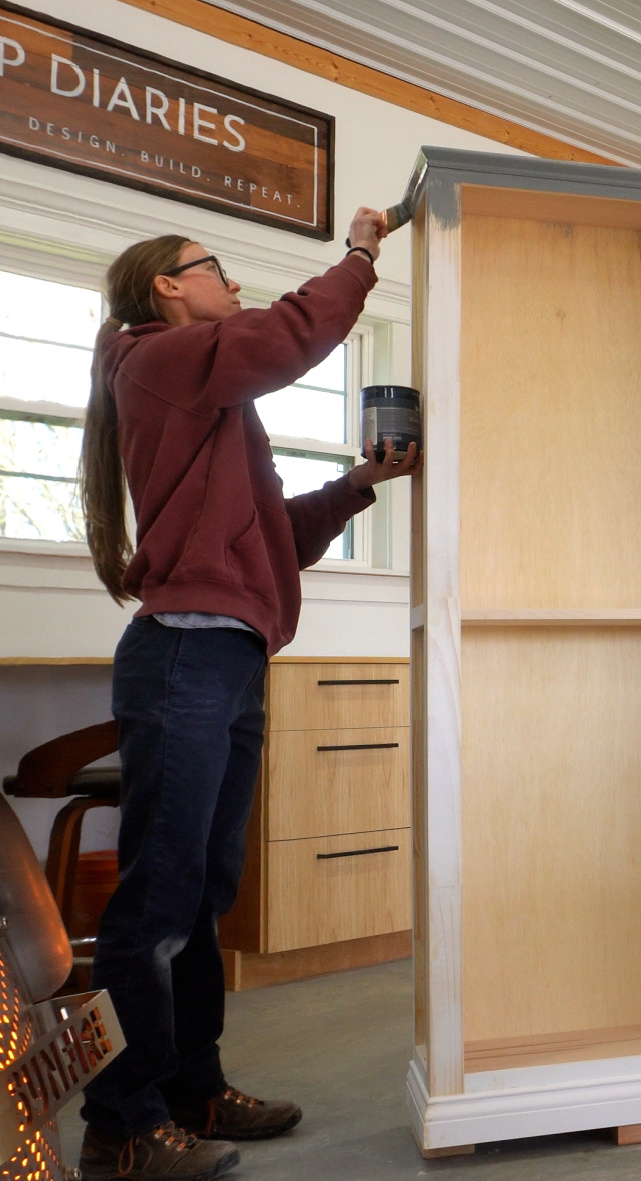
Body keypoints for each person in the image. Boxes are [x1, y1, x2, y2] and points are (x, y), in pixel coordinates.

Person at [75, 208, 419, 1181]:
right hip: (185, 652)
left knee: (201, 894)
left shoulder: (210, 402)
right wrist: (360, 253)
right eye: (216, 269)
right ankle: (121, 1127)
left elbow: (275, 536)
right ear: (168, 286)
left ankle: (193, 1087)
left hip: (225, 654)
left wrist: (360, 482)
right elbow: (289, 334)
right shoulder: (156, 356)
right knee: (159, 897)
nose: (232, 285)